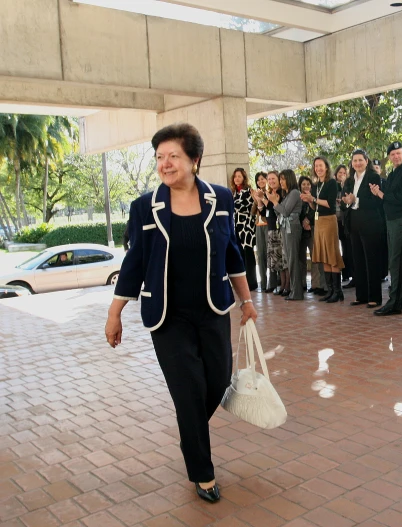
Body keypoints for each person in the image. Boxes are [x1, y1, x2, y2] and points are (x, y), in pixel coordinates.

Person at [105, 123, 257, 503]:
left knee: (218, 382)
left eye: (173, 156)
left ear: (195, 160)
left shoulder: (220, 199)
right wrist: (115, 312)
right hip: (167, 317)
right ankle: (203, 474)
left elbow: (232, 254)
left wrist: (247, 301)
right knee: (188, 392)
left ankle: (190, 434)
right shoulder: (145, 206)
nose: (165, 163)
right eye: (159, 157)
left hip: (212, 309)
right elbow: (135, 261)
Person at [372, 142, 402, 316]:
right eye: (392, 154)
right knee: (400, 260)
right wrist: (378, 193)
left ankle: (394, 303)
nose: (396, 156)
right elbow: (387, 198)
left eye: (399, 153)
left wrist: (384, 195)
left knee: (396, 261)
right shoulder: (392, 174)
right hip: (392, 220)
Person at [342, 149, 386, 307]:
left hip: (370, 222)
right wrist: (346, 200)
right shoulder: (349, 180)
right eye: (355, 161)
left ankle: (374, 297)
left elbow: (376, 202)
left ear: (366, 161)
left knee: (371, 260)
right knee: (358, 260)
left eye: (360, 160)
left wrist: (356, 199)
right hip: (354, 222)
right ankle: (361, 296)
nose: (357, 163)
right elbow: (343, 199)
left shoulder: (373, 177)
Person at [301, 156, 346, 303]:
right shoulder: (316, 185)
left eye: (321, 165)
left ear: (326, 167)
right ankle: (330, 289)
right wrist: (309, 200)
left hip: (329, 220)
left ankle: (338, 291)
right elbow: (316, 206)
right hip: (318, 221)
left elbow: (329, 203)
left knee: (332, 253)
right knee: (323, 255)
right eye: (316, 166)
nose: (318, 168)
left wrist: (313, 199)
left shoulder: (331, 183)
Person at [271, 169, 304, 301]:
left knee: (293, 259)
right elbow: (278, 213)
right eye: (280, 179)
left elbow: (285, 211)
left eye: (283, 179)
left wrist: (274, 202)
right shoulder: (287, 194)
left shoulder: (295, 193)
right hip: (285, 228)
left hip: (292, 228)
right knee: (289, 259)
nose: (281, 182)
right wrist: (276, 203)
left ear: (289, 179)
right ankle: (294, 290)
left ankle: (297, 292)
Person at [230, 168, 258, 291]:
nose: (237, 178)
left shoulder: (248, 191)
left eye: (239, 176)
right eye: (235, 176)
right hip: (236, 227)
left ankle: (251, 282)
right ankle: (242, 284)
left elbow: (242, 205)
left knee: (248, 254)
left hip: (246, 227)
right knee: (239, 255)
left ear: (244, 178)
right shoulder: (232, 192)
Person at [261, 171, 288, 295]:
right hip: (271, 228)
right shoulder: (270, 194)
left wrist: (269, 200)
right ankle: (282, 285)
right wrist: (261, 200)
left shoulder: (282, 193)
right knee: (277, 261)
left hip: (280, 228)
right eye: (269, 179)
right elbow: (267, 212)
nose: (271, 181)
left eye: (273, 179)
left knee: (284, 259)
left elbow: (280, 210)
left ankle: (287, 285)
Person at [299, 175, 323, 294]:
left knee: (315, 258)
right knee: (301, 259)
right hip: (300, 231)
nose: (306, 186)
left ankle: (316, 284)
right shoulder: (297, 198)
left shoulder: (314, 197)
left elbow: (316, 211)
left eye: (308, 184)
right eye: (303, 184)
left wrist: (308, 220)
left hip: (312, 229)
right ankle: (302, 283)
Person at [253, 172, 274, 293]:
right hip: (258, 225)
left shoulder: (270, 192)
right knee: (260, 255)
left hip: (268, 225)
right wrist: (255, 199)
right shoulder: (255, 193)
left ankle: (272, 283)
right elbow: (253, 211)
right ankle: (263, 283)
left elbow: (268, 209)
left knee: (270, 254)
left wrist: (262, 198)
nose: (260, 181)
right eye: (258, 180)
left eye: (262, 179)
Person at [334, 164, 354, 288]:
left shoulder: (347, 186)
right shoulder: (332, 185)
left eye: (344, 173)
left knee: (348, 247)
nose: (342, 175)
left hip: (345, 221)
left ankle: (349, 273)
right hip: (334, 220)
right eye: (340, 173)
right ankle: (342, 273)